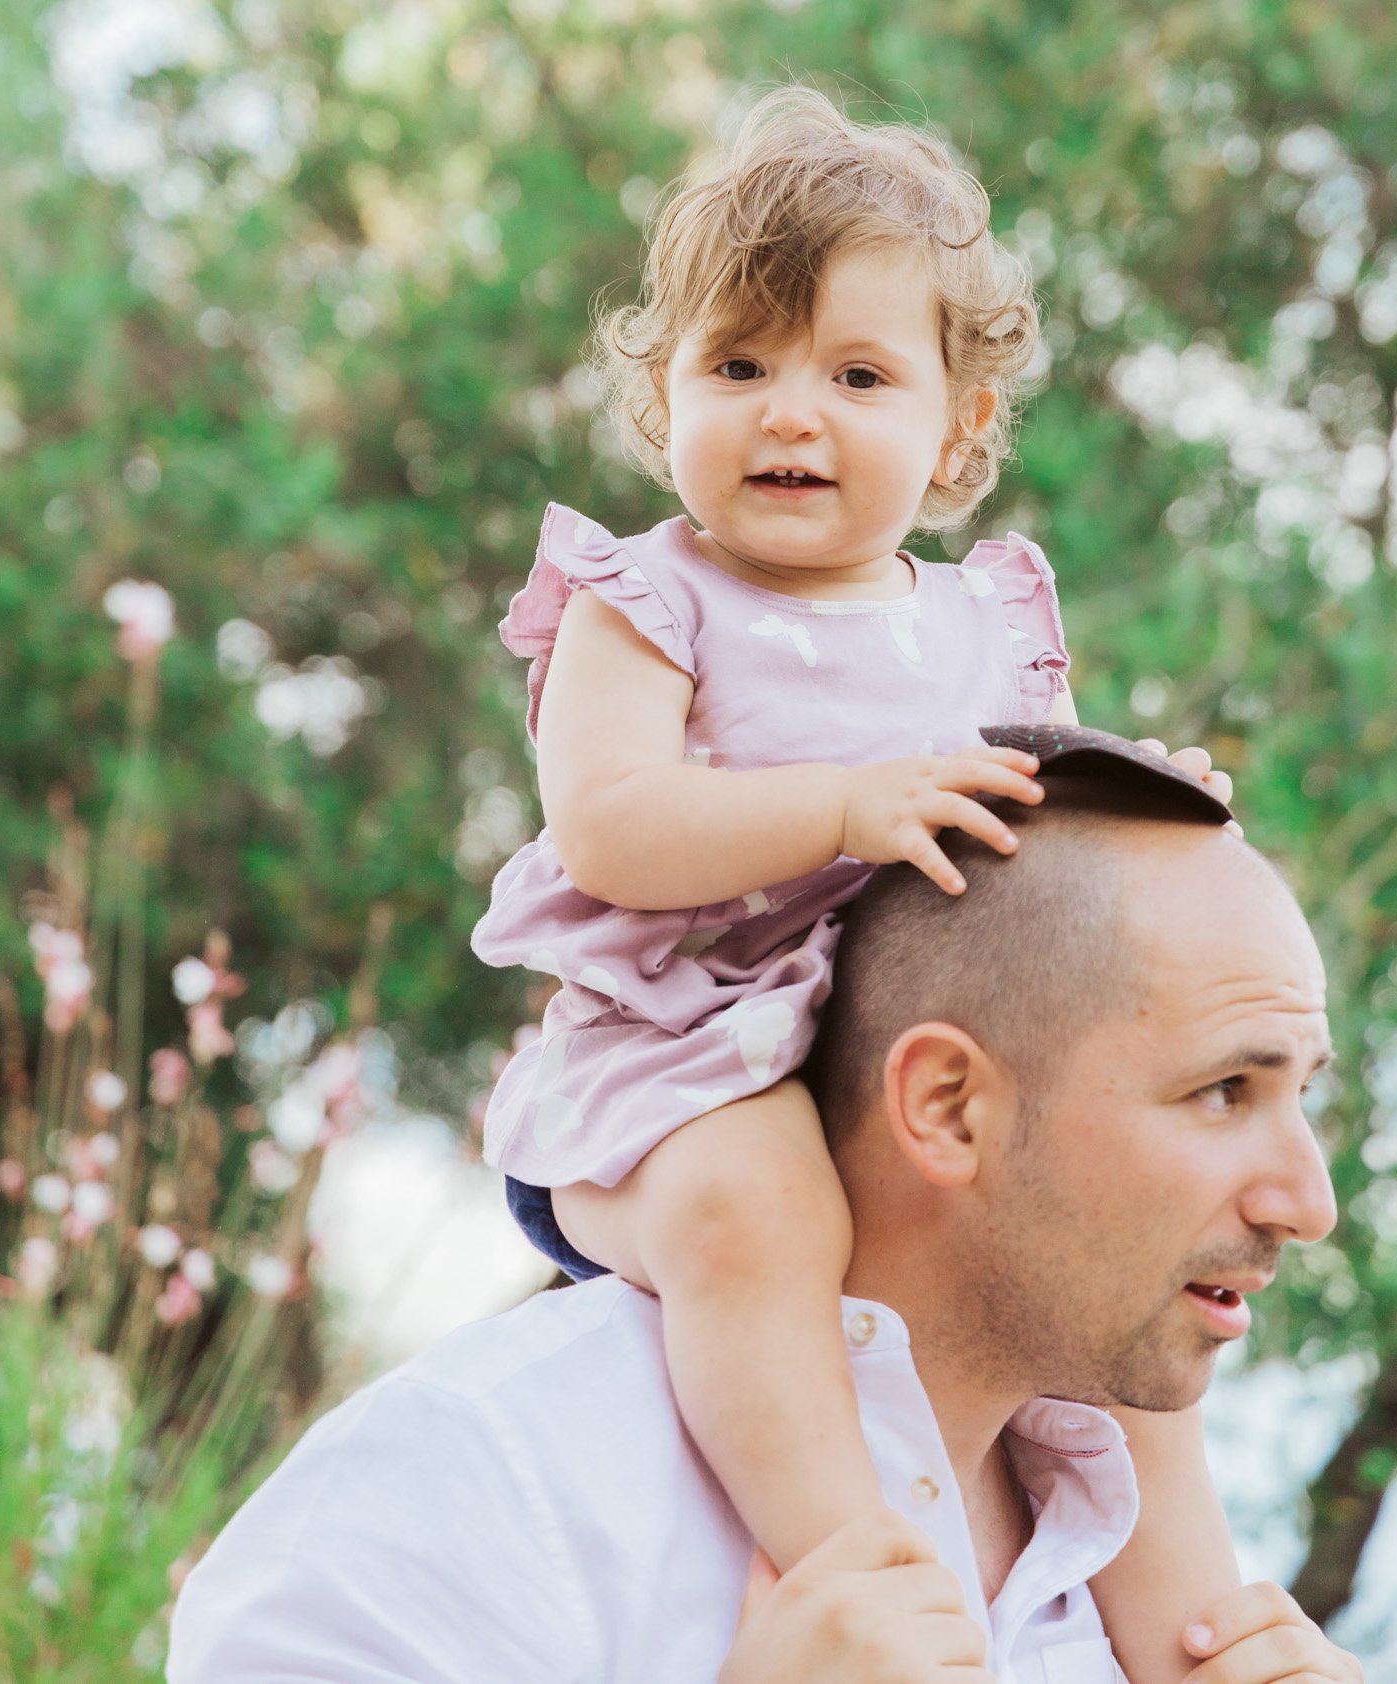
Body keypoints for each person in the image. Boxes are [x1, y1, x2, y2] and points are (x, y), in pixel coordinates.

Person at [465, 90, 1239, 1672]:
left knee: (1104, 1251)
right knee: (757, 1216)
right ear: (662, 396)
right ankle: (860, 1573)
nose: (786, 413)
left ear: (956, 428)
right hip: (682, 1068)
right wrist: (838, 803)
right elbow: (610, 825)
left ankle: (1202, 1627)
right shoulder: (643, 598)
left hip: (890, 1068)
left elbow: (1033, 855)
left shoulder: (982, 620)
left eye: (855, 374)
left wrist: (1147, 809)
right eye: (735, 367)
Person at [168, 736, 1360, 1684]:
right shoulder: (471, 1483)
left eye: (1297, 1097)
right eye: (1220, 1091)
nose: (1306, 1203)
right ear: (946, 1106)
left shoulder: (1152, 1591)